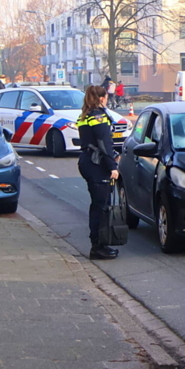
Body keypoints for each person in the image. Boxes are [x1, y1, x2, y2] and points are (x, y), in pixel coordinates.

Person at [76, 85, 120, 260]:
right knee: (101, 207)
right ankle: (98, 247)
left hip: (88, 161)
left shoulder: (85, 115)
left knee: (97, 206)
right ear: (102, 98)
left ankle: (99, 244)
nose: (107, 99)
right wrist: (112, 166)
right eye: (106, 97)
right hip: (97, 164)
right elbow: (103, 144)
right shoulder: (99, 117)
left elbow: (91, 141)